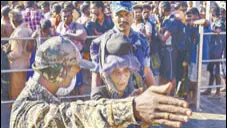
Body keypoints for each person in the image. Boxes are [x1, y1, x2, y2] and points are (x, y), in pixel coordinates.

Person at [10, 36, 192, 128]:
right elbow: (70, 116)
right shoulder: (26, 112)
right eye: (75, 67)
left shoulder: (44, 98)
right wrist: (132, 107)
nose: (78, 72)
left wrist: (126, 104)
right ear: (59, 71)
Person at [90, 1, 156, 90]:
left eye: (127, 14)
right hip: (113, 98)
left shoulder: (141, 40)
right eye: (119, 15)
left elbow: (146, 70)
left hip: (138, 95)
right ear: (113, 17)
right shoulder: (100, 43)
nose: (123, 19)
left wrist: (156, 92)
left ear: (132, 15)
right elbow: (97, 75)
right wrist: (96, 99)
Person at [56, 7, 87, 97]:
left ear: (72, 16)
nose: (65, 18)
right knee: (68, 81)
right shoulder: (60, 26)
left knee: (79, 82)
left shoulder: (77, 25)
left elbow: (82, 35)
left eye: (67, 16)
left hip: (75, 57)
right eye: (63, 16)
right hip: (64, 58)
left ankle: (83, 100)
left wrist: (69, 34)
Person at [186, 8, 211, 106]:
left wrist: (194, 22)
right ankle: (191, 97)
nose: (190, 18)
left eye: (191, 16)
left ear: (196, 15)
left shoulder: (203, 24)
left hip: (202, 55)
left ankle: (195, 98)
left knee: (197, 79)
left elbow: (205, 21)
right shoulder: (191, 26)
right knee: (191, 78)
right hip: (192, 56)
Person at [8, 10, 34, 101]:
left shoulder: (19, 32)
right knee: (22, 88)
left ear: (13, 20)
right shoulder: (27, 28)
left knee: (17, 91)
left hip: (17, 65)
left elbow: (17, 52)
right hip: (25, 62)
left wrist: (7, 56)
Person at [202, 7, 226, 98]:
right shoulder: (214, 22)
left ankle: (218, 92)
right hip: (212, 48)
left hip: (217, 49)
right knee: (211, 70)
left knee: (216, 70)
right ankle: (209, 89)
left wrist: (208, 29)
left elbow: (218, 31)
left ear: (212, 13)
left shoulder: (219, 22)